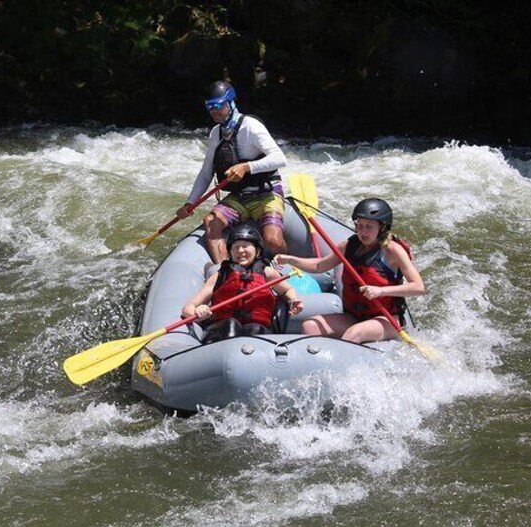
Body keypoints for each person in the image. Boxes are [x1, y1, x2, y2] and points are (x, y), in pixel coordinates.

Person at [274, 198, 424, 344]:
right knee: (310, 326)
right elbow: (319, 266)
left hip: (387, 319)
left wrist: (380, 291)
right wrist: (289, 259)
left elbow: (418, 287)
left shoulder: (392, 251)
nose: (363, 231)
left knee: (354, 333)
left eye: (369, 226)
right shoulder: (350, 245)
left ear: (382, 227)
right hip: (353, 316)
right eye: (360, 225)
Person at [176, 80, 287, 266]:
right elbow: (206, 173)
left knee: (273, 241)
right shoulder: (216, 133)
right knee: (211, 222)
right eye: (209, 107)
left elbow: (280, 158)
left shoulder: (251, 126)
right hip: (238, 197)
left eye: (218, 105)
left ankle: (287, 264)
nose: (214, 111)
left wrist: (247, 167)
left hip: (265, 194)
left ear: (230, 103)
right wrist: (190, 202)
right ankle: (228, 273)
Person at [181, 225, 303, 343]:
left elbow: (287, 290)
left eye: (245, 246)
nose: (240, 251)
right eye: (235, 247)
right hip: (221, 328)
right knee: (231, 325)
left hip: (257, 327)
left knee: (255, 329)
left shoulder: (267, 273)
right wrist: (198, 311)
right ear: (230, 252)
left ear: (258, 251)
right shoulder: (220, 275)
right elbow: (188, 307)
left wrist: (293, 300)